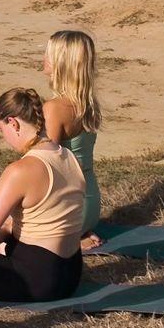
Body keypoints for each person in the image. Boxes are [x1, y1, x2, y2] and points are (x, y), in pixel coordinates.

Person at [0, 87, 85, 302]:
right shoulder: (69, 157)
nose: (3, 137)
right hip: (71, 275)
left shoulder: (21, 170)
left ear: (13, 123)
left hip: (35, 280)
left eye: (0, 129)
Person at [42, 30, 104, 247]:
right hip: (90, 204)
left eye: (49, 55)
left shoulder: (54, 109)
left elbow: (46, 165)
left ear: (62, 63)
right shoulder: (89, 105)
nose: (43, 59)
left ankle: (68, 240)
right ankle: (78, 235)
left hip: (68, 208)